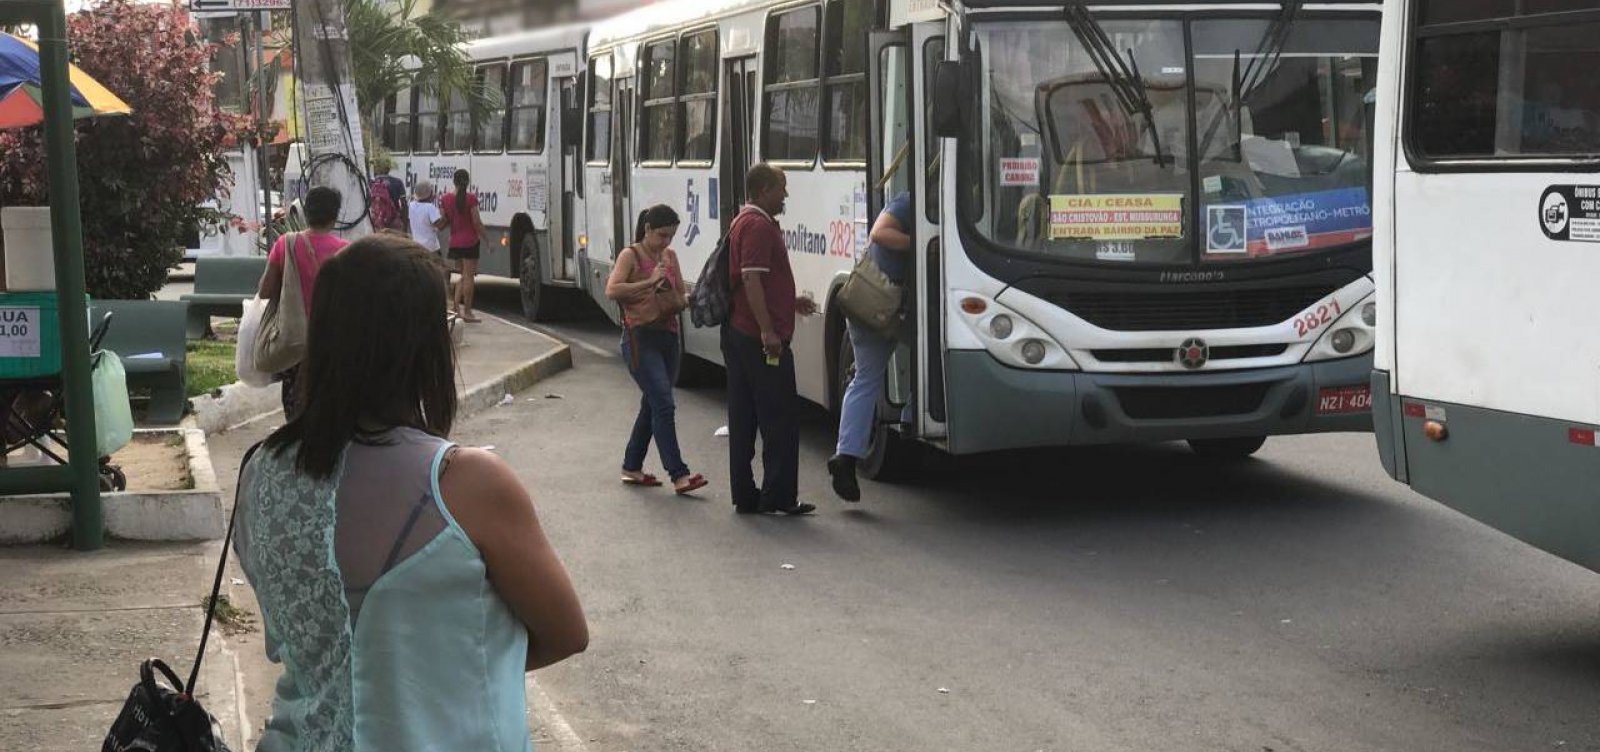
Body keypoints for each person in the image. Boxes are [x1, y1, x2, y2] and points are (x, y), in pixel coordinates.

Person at [235, 235, 588, 752]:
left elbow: (299, 637)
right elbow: (565, 633)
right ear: (421, 347)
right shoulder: (465, 484)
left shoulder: (258, 473)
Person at [722, 163, 818, 516]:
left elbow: (756, 281)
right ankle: (779, 496)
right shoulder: (759, 225)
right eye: (782, 187)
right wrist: (768, 330)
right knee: (779, 418)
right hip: (758, 337)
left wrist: (789, 303)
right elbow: (750, 279)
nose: (786, 195)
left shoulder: (743, 220)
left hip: (739, 332)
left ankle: (745, 495)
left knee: (744, 415)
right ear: (764, 190)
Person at [605, 204, 708, 496]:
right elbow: (612, 290)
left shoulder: (669, 257)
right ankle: (679, 474)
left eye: (671, 236)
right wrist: (650, 282)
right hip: (640, 338)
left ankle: (631, 466)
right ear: (648, 229)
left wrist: (689, 298)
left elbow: (676, 297)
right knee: (663, 402)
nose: (666, 242)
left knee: (653, 403)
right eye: (662, 235)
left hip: (669, 335)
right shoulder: (631, 255)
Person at [828, 191, 914, 502]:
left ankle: (846, 457)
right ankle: (910, 422)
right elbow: (880, 232)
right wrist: (924, 240)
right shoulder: (909, 201)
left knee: (865, 379)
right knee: (938, 353)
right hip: (882, 306)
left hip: (872, 306)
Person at [257, 186, 348, 418]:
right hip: (332, 342)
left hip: (293, 341)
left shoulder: (286, 244)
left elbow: (265, 291)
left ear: (306, 213)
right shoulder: (346, 252)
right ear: (335, 215)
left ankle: (298, 449)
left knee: (295, 409)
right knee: (330, 407)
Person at [440, 168, 486, 323]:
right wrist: (488, 240)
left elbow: (444, 220)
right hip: (470, 242)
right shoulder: (471, 199)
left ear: (454, 181)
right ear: (467, 182)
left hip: (454, 243)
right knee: (469, 277)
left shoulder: (445, 198)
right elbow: (477, 223)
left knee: (463, 276)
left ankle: (456, 308)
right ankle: (467, 312)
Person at [369, 155, 408, 233]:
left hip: (377, 222)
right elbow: (403, 204)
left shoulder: (371, 183)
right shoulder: (398, 182)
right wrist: (405, 225)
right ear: (389, 169)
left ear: (378, 168)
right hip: (393, 221)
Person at [408, 179, 442, 254]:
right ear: (430, 194)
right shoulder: (430, 207)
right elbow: (439, 224)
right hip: (431, 247)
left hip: (416, 245)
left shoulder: (411, 205)